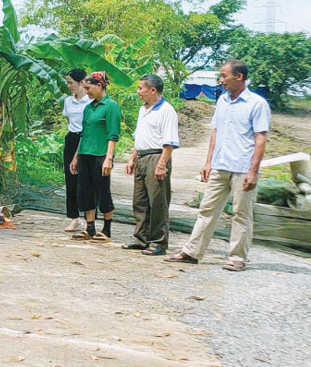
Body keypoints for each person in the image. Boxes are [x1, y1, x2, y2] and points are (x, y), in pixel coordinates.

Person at [167, 60, 270, 271]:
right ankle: (192, 252)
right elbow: (215, 132)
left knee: (241, 213)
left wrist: (253, 171)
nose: (221, 80)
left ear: (238, 77)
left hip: (243, 167)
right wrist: (208, 162)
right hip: (220, 166)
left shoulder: (257, 104)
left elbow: (261, 138)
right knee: (207, 209)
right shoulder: (222, 100)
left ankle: (238, 258)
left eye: (224, 76)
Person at [122, 74, 179, 256]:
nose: (138, 92)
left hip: (156, 157)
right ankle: (141, 239)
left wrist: (162, 164)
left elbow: (169, 142)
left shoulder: (166, 111)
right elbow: (140, 136)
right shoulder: (143, 110)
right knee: (140, 201)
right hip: (142, 157)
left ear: (152, 90)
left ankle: (158, 242)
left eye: (141, 88)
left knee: (158, 202)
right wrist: (132, 158)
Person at [69, 72, 121, 242]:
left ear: (99, 86)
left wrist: (109, 158)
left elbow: (113, 135)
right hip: (85, 154)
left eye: (89, 88)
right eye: (85, 88)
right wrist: (76, 157)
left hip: (100, 155)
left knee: (102, 191)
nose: (87, 91)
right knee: (85, 191)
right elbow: (84, 134)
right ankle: (89, 227)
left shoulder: (111, 106)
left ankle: (107, 229)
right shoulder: (89, 108)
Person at [62, 68, 92, 232]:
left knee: (85, 180)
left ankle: (89, 219)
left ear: (81, 83)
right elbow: (69, 120)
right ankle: (74, 217)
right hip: (72, 138)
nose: (69, 86)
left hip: (87, 139)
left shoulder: (90, 101)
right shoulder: (68, 101)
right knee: (70, 179)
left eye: (71, 83)